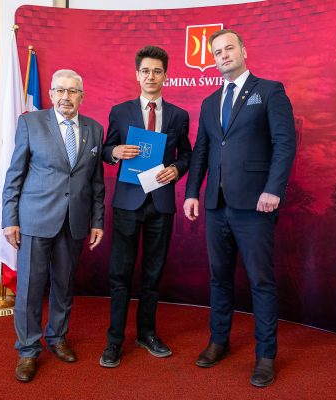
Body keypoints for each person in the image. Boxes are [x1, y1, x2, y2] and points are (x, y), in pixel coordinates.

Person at [183, 29, 296, 387]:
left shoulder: (270, 91)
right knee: (219, 277)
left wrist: (273, 189)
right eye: (217, 52)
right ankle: (219, 341)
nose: (223, 55)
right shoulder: (209, 102)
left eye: (229, 48)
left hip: (256, 205)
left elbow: (285, 143)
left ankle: (265, 356)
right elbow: (201, 151)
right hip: (216, 205)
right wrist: (192, 193)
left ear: (244, 51)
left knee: (261, 281)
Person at [2, 69, 105, 382]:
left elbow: (96, 181)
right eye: (60, 90)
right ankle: (28, 349)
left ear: (81, 96)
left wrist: (97, 220)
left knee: (64, 285)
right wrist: (10, 219)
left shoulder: (95, 129)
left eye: (72, 91)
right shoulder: (30, 123)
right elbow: (14, 174)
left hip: (74, 222)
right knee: (30, 288)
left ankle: (57, 336)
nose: (65, 97)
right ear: (50, 94)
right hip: (35, 219)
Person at [100, 45, 192, 368]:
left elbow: (187, 154)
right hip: (127, 202)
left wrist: (177, 169)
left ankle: (146, 333)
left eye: (157, 71)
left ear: (165, 75)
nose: (151, 76)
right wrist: (115, 152)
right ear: (137, 75)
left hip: (160, 203)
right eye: (145, 71)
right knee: (120, 275)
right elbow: (105, 149)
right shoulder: (120, 111)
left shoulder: (179, 115)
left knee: (153, 275)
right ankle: (114, 340)